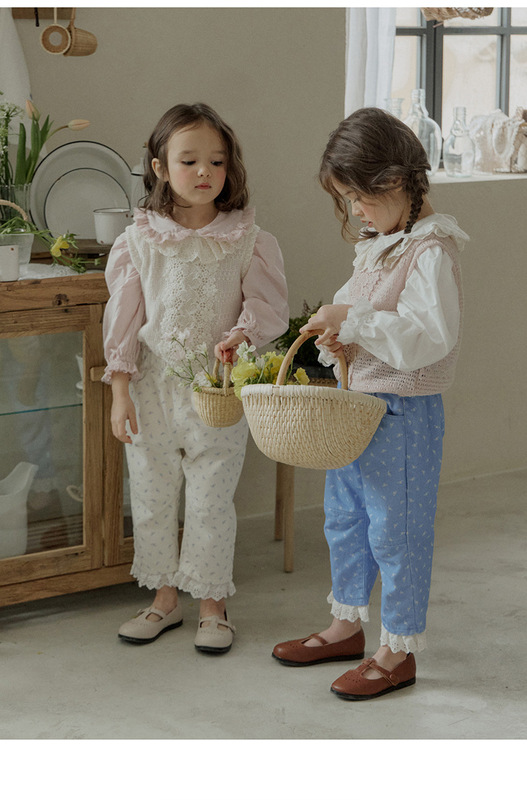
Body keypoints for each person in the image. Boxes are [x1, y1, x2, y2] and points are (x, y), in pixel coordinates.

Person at [272, 107, 468, 699]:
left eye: (360, 196)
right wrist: (339, 340)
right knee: (345, 519)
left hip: (403, 414)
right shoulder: (381, 244)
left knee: (397, 531)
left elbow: (429, 337)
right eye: (348, 199)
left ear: (397, 180)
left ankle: (397, 650)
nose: (356, 209)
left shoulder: (430, 251)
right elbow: (363, 323)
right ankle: (346, 625)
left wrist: (352, 320)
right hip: (356, 410)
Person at [103, 103, 288, 654]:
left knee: (211, 500)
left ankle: (212, 604)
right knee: (152, 496)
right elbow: (124, 320)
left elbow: (267, 307)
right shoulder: (138, 241)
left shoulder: (248, 238)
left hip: (218, 390)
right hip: (151, 389)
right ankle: (164, 600)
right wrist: (119, 393)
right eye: (189, 161)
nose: (204, 171)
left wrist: (242, 336)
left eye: (217, 161)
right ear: (160, 167)